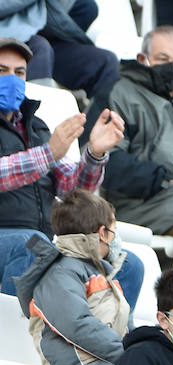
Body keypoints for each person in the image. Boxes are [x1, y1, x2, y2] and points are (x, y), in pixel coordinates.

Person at [0, 37, 133, 299]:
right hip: (13, 240)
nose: (12, 79)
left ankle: (111, 340)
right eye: (1, 71)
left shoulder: (35, 126)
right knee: (29, 244)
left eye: (19, 72)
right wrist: (48, 153)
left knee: (127, 266)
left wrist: (94, 154)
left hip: (44, 240)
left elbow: (71, 191)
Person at [85, 25, 173, 236]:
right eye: (162, 59)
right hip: (146, 201)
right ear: (142, 58)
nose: (171, 67)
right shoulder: (117, 94)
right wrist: (161, 179)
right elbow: (105, 160)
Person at [13, 190, 129, 365]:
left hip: (104, 359)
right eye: (113, 231)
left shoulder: (98, 270)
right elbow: (77, 325)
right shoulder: (59, 272)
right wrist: (128, 354)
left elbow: (122, 322)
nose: (115, 239)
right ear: (102, 234)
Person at [0, 0, 117, 97]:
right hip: (11, 40)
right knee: (41, 48)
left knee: (106, 61)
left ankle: (98, 124)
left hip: (47, 40)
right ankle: (33, 122)